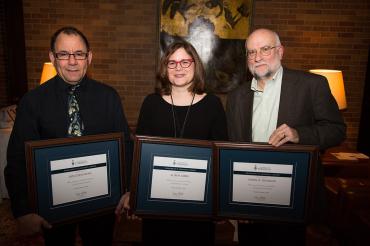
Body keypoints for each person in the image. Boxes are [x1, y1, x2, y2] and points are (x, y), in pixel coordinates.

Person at [5, 26, 132, 246]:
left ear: (89, 57)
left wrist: (129, 189)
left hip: (101, 204)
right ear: (53, 57)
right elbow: (17, 159)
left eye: (79, 54)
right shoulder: (32, 102)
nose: (72, 61)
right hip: (52, 208)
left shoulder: (109, 97)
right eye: (64, 54)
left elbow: (125, 148)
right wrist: (22, 211)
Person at [226, 28, 346, 245]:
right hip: (249, 197)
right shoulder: (236, 96)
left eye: (265, 49)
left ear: (280, 51)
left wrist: (300, 134)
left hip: (292, 199)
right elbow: (232, 149)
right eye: (251, 52)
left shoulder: (311, 85)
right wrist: (236, 201)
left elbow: (337, 129)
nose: (257, 57)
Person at [115, 40, 228, 245]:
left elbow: (221, 158)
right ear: (164, 68)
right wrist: (134, 191)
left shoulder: (213, 105)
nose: (178, 68)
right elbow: (140, 155)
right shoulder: (151, 103)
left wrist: (220, 201)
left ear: (196, 65)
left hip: (199, 207)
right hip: (157, 206)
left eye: (185, 62)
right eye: (172, 63)